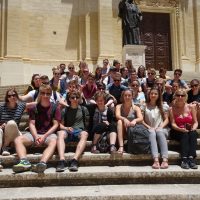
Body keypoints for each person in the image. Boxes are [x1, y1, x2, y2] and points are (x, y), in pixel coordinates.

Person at [12, 84, 61, 173]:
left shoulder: (55, 107)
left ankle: (42, 163)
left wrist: (44, 136)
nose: (45, 95)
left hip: (48, 134)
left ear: (50, 94)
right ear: (39, 94)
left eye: (48, 93)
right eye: (43, 93)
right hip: (34, 133)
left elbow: (56, 125)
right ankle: (24, 161)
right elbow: (31, 124)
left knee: (54, 141)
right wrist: (35, 136)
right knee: (18, 140)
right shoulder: (34, 108)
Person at [56, 91, 89, 172]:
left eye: (77, 97)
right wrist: (66, 128)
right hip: (68, 131)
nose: (75, 99)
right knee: (60, 133)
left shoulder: (84, 109)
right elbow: (59, 125)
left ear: (79, 98)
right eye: (72, 97)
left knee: (85, 134)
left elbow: (87, 124)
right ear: (69, 99)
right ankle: (62, 160)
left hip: (79, 132)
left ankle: (74, 160)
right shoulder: (65, 110)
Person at [169, 89, 198, 169]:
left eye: (182, 95)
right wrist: (180, 129)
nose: (180, 97)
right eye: (178, 95)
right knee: (185, 134)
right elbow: (173, 123)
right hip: (176, 130)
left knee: (193, 133)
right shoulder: (172, 109)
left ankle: (191, 158)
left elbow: (195, 122)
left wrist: (193, 128)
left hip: (189, 130)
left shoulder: (191, 107)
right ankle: (184, 159)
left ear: (186, 97)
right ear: (175, 96)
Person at [141, 87, 169, 169]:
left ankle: (165, 160)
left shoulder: (163, 106)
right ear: (149, 95)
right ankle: (156, 160)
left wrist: (161, 126)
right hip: (149, 128)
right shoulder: (144, 106)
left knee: (159, 132)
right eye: (151, 93)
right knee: (152, 132)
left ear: (158, 95)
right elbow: (141, 120)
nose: (153, 95)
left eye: (155, 94)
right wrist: (149, 127)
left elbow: (167, 119)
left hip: (161, 128)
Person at [0, 88, 33, 156]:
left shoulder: (21, 106)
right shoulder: (2, 106)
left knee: (11, 123)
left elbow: (34, 104)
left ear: (17, 96)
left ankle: (5, 146)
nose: (12, 97)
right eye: (9, 96)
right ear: (7, 98)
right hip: (3, 132)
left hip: (14, 132)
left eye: (14, 95)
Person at [115, 89, 143, 153]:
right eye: (125, 95)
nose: (127, 97)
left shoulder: (136, 107)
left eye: (129, 95)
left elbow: (141, 118)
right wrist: (124, 119)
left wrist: (135, 120)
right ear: (123, 96)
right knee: (119, 121)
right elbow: (117, 116)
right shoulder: (118, 106)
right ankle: (121, 147)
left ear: (132, 96)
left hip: (132, 130)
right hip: (123, 130)